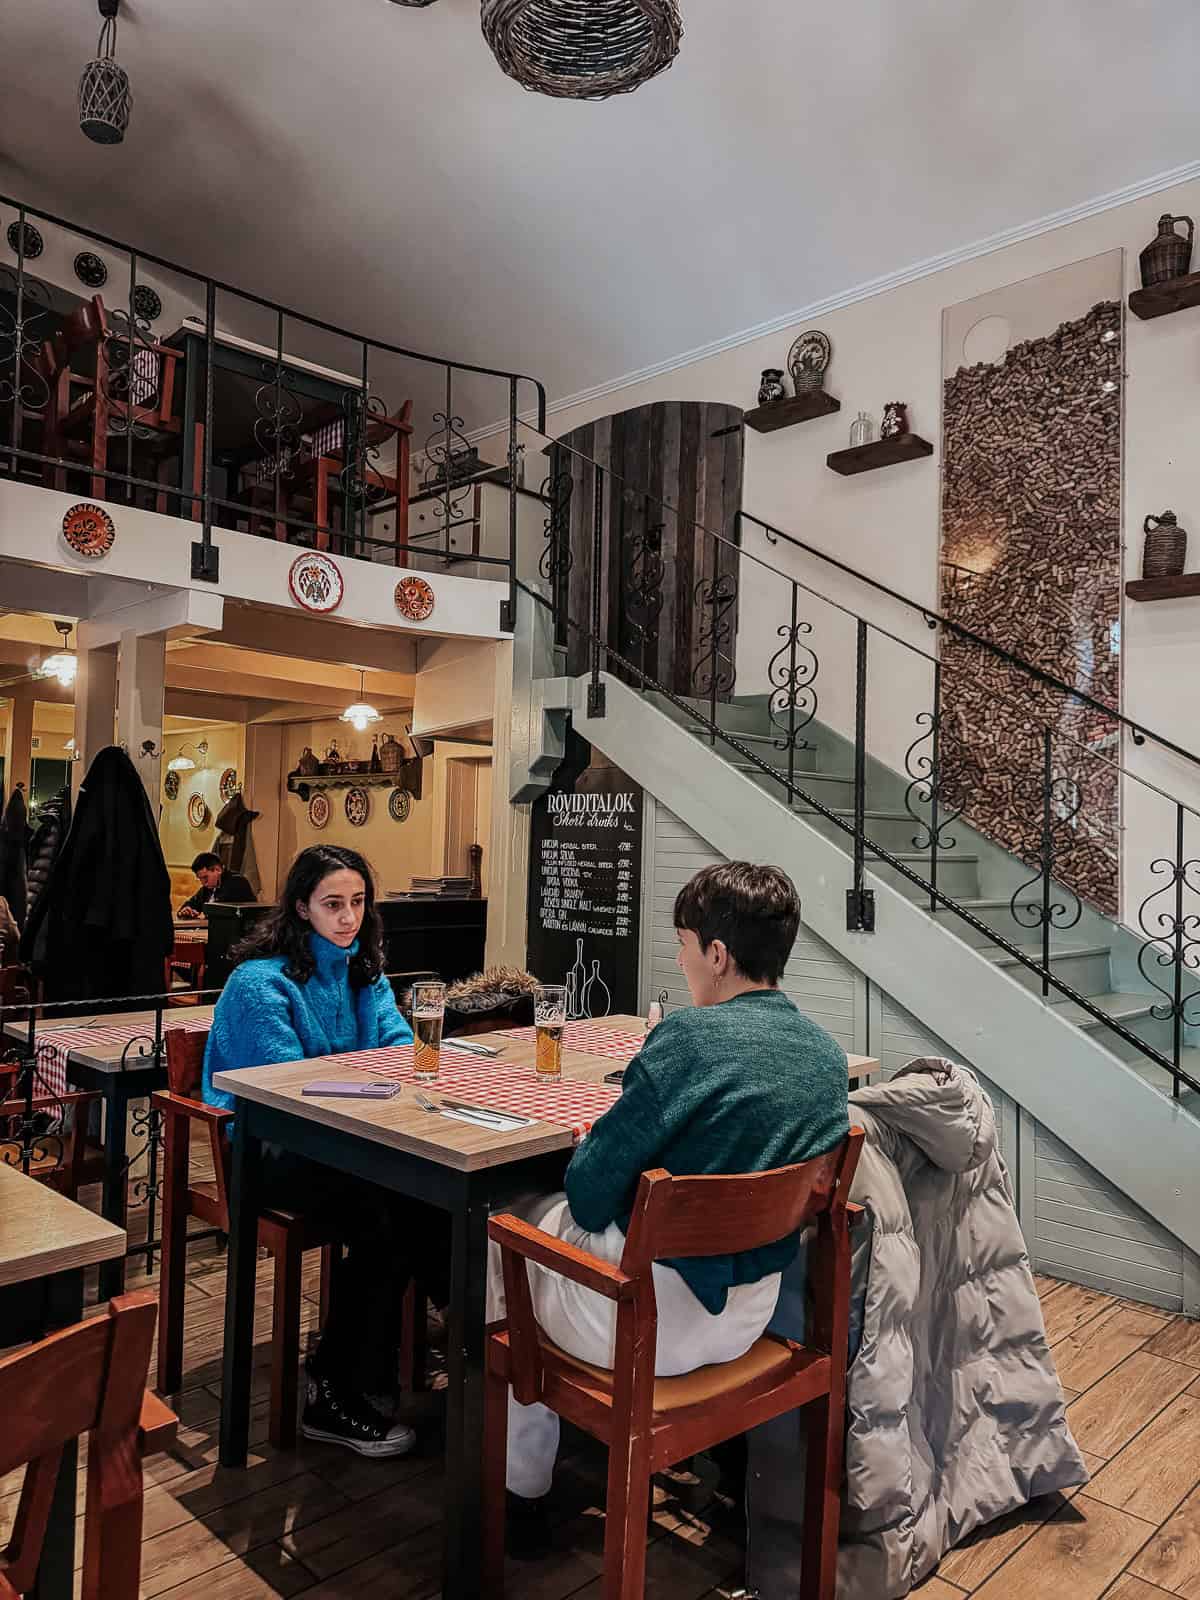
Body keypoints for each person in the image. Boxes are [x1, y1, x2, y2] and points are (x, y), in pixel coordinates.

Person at [491, 862, 851, 1550]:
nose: (681, 960)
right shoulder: (825, 1057)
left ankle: (521, 1491)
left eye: (684, 944)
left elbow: (591, 1195)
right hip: (750, 1320)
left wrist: (607, 1135)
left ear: (718, 955)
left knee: (500, 1227)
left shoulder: (686, 1038)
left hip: (642, 1331)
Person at [202, 843, 442, 1457]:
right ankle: (335, 1393)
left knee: (428, 1201)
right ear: (302, 907)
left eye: (359, 902)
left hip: (348, 1141)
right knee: (390, 1213)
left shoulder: (363, 969)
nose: (349, 917)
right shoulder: (260, 983)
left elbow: (394, 1046)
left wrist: (372, 1071)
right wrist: (366, 1074)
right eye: (333, 903)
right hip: (272, 1151)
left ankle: (450, 1358)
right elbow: (284, 1086)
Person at [178, 851, 256, 919]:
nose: (203, 882)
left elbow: (218, 910)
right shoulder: (208, 887)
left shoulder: (237, 882)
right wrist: (187, 910)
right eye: (200, 879)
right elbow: (192, 903)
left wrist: (201, 910)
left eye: (205, 877)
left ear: (218, 870)